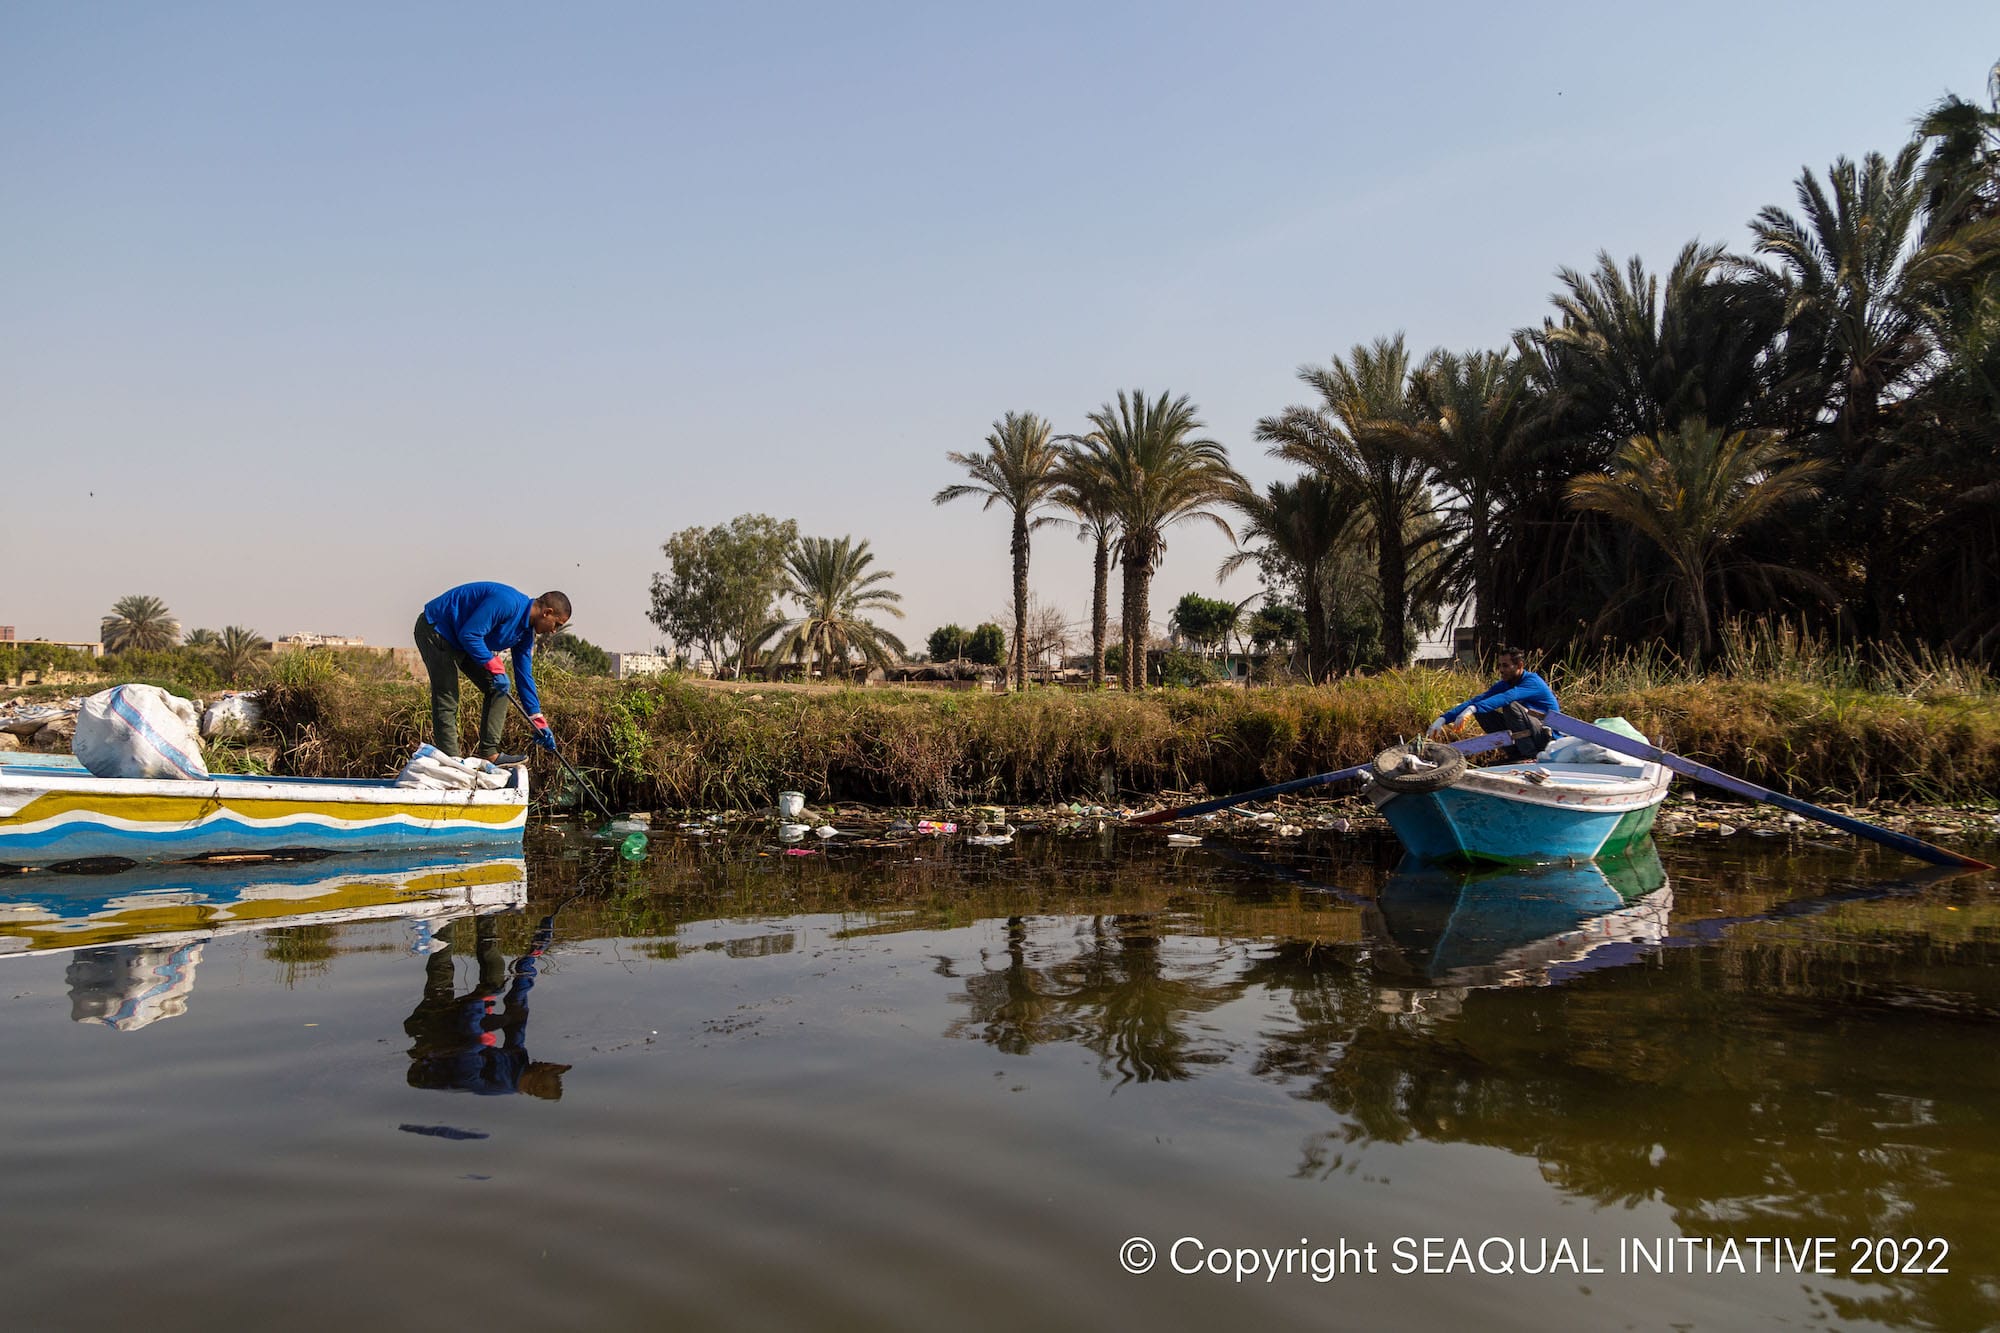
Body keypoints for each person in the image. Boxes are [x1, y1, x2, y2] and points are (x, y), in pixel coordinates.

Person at [415, 583, 569, 762]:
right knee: (447, 695)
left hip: (461, 640)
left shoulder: (525, 634)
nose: (554, 630)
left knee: (498, 689)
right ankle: (451, 760)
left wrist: (538, 721)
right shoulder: (507, 603)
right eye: (556, 624)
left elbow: (524, 676)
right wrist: (495, 666)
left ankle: (489, 753)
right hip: (437, 629)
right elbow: (470, 634)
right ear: (547, 612)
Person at [1429, 646, 1559, 760]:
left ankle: (1530, 755)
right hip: (1530, 734)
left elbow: (1507, 697)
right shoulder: (1505, 683)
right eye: (1500, 665)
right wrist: (1443, 719)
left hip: (1547, 738)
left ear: (1519, 666)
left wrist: (1473, 708)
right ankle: (1516, 754)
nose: (1501, 670)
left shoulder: (1532, 682)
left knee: (1510, 706)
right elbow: (1478, 700)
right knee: (1481, 711)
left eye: (1505, 665)